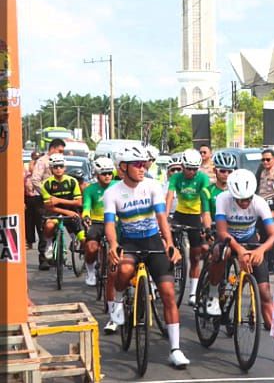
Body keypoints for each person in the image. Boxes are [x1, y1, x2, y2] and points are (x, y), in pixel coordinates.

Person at [103, 145, 189, 368]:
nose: (143, 168)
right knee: (123, 270)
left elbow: (162, 217)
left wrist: (169, 243)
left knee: (169, 293)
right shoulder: (112, 193)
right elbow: (110, 224)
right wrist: (113, 244)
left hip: (152, 240)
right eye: (137, 165)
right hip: (129, 241)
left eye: (144, 164)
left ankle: (175, 349)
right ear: (123, 167)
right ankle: (119, 300)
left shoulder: (152, 186)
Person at [213, 169, 274, 364]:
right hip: (229, 241)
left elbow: (273, 235)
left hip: (252, 242)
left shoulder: (259, 202)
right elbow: (221, 231)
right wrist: (239, 250)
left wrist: (260, 251)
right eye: (240, 200)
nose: (244, 203)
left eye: (247, 199)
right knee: (222, 252)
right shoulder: (222, 198)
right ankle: (212, 295)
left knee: (265, 294)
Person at [165, 149, 212, 306]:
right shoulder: (176, 177)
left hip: (195, 216)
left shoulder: (203, 178)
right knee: (167, 244)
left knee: (195, 256)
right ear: (183, 166)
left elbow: (205, 201)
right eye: (188, 168)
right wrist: (165, 217)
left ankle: (192, 292)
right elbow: (170, 196)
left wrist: (206, 224)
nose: (191, 172)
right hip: (179, 214)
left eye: (194, 169)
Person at [40, 153, 86, 264]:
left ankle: (85, 259)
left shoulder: (72, 181)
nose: (58, 169)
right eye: (55, 167)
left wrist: (58, 200)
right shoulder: (46, 184)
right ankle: (49, 244)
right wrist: (65, 211)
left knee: (84, 239)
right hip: (55, 212)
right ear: (51, 169)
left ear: (65, 167)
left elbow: (78, 202)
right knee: (49, 225)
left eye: (61, 166)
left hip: (72, 211)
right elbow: (48, 205)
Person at [31, 139, 65, 270]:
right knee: (44, 228)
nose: (62, 154)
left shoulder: (60, 163)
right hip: (43, 199)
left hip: (58, 198)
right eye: (60, 151)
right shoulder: (43, 162)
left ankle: (56, 256)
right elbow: (35, 180)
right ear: (52, 149)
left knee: (59, 225)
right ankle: (43, 259)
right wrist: (46, 194)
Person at [81, 157, 115, 288]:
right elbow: (86, 207)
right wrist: (86, 216)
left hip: (114, 222)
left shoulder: (118, 186)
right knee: (91, 248)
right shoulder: (90, 189)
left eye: (109, 173)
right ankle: (90, 271)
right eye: (104, 173)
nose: (107, 176)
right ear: (96, 174)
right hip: (96, 222)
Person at [202, 152, 236, 219]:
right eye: (222, 171)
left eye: (230, 171)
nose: (226, 174)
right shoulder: (207, 191)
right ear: (215, 170)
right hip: (214, 227)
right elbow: (206, 214)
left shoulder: (237, 191)